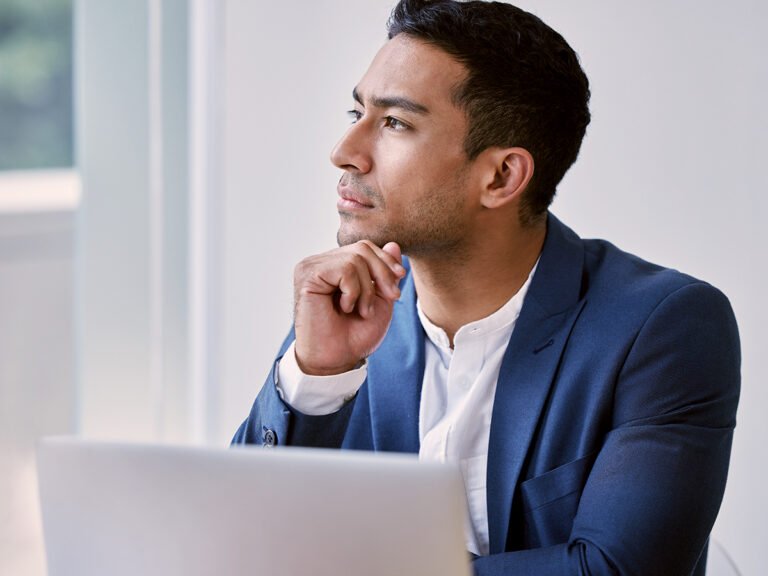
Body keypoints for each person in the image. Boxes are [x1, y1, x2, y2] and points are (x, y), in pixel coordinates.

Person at [232, 1, 741, 574]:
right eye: (356, 112)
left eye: (395, 122)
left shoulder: (661, 326)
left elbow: (612, 569)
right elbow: (241, 539)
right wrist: (315, 376)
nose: (345, 151)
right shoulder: (349, 306)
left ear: (501, 176)